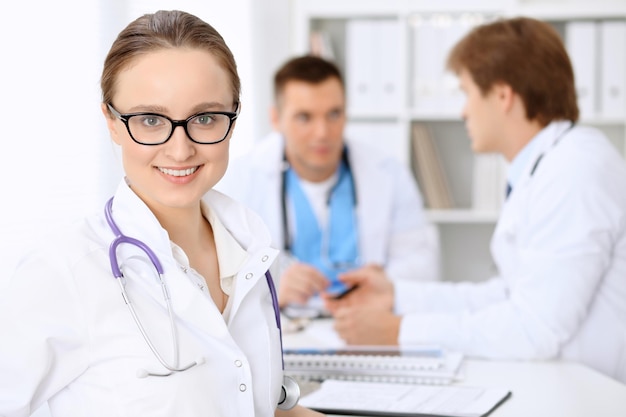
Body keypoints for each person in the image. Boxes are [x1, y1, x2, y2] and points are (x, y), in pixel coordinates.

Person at [0, 10, 322, 416]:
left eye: (204, 118)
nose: (180, 149)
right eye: (151, 120)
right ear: (112, 123)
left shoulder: (248, 251)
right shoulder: (63, 273)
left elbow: (248, 401)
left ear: (234, 117)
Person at [324, 16, 626, 384]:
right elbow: (507, 294)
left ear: (502, 95)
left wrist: (397, 332)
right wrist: (397, 295)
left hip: (589, 396)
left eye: (467, 93)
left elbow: (535, 329)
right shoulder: (546, 167)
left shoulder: (575, 169)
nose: (463, 110)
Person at [216, 55, 439, 313]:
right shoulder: (239, 179)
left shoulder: (388, 173)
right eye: (304, 117)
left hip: (367, 325)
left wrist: (385, 283)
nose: (322, 132)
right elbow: (216, 275)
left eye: (334, 114)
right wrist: (271, 287)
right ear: (276, 119)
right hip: (284, 331)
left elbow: (423, 263)